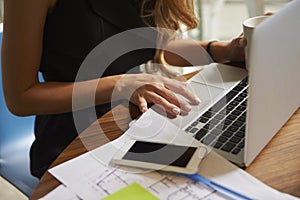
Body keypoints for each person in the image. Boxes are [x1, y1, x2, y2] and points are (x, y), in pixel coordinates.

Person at [2, 0, 246, 178]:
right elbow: (21, 98)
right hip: (70, 141)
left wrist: (221, 51)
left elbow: (160, 43)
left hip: (136, 121)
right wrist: (118, 85)